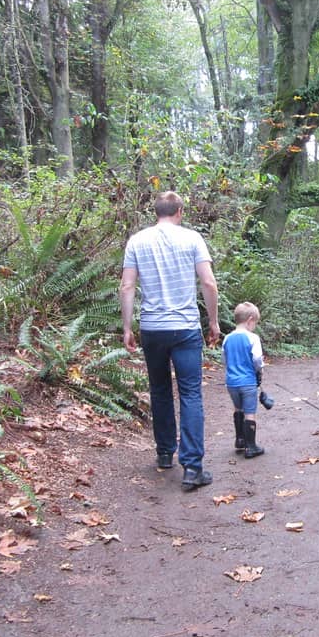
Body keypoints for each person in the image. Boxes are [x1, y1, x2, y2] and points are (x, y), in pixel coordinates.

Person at [120, 191, 220, 490]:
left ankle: (165, 453)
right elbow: (208, 282)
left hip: (152, 328)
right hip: (185, 328)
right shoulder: (192, 239)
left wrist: (127, 327)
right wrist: (213, 321)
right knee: (190, 393)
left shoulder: (137, 241)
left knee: (160, 389)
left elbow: (127, 286)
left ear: (156, 212)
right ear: (179, 211)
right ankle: (192, 468)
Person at [221, 302, 266, 459]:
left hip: (231, 382)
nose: (255, 326)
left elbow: (224, 359)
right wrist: (259, 370)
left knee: (238, 408)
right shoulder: (253, 338)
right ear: (250, 320)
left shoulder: (227, 338)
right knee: (250, 412)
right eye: (255, 323)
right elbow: (257, 359)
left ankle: (240, 440)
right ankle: (251, 446)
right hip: (248, 381)